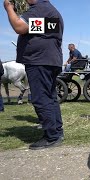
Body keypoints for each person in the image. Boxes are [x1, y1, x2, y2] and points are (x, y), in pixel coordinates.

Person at [4, 0, 64, 149]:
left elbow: (19, 27)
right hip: (50, 60)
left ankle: (52, 137)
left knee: (41, 98)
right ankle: (56, 130)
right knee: (50, 97)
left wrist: (9, 8)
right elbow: (37, 30)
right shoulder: (51, 11)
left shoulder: (40, 9)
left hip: (40, 61)